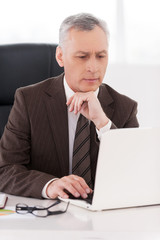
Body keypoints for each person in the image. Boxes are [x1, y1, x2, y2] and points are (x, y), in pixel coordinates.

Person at [0, 13, 139, 200]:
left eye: (100, 56)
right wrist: (49, 185)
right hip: (47, 218)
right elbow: (6, 170)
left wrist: (103, 124)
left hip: (102, 219)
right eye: (82, 57)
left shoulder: (125, 107)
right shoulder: (28, 100)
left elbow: (135, 175)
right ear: (60, 56)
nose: (93, 67)